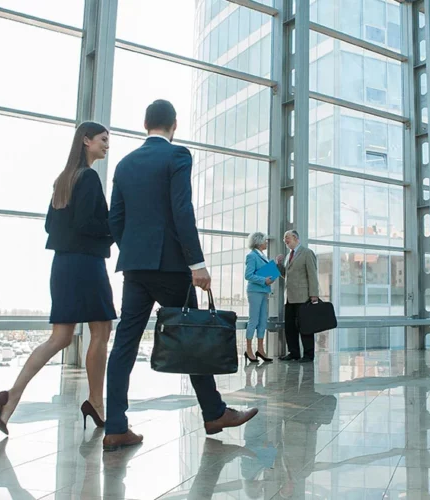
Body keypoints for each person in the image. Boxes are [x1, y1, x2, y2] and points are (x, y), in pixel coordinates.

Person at [103, 99, 257, 451]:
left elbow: (115, 219)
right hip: (172, 266)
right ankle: (214, 412)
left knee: (124, 344)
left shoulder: (125, 164)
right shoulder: (177, 156)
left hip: (135, 266)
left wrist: (135, 250)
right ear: (174, 125)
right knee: (191, 335)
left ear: (145, 124)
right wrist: (196, 263)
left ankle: (115, 426)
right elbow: (181, 209)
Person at [0, 122, 116, 435]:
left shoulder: (63, 180)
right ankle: (96, 403)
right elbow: (87, 223)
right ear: (86, 140)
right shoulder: (89, 178)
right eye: (103, 139)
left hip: (62, 266)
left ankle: (10, 397)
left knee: (60, 337)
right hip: (86, 265)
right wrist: (116, 226)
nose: (107, 145)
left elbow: (49, 227)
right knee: (101, 331)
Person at [275, 230, 320, 363]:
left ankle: (308, 355)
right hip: (289, 297)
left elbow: (312, 274)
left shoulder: (307, 253)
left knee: (305, 326)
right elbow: (287, 276)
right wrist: (279, 265)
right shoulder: (289, 255)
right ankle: (294, 353)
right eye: (284, 239)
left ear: (295, 237)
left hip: (303, 297)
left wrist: (314, 294)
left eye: (286, 238)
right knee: (290, 327)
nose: (285, 240)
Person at [244, 232, 275, 363]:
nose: (267, 243)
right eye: (265, 241)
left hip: (264, 291)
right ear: (259, 242)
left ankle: (261, 349)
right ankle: (249, 350)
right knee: (254, 320)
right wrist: (264, 280)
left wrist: (270, 277)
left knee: (263, 320)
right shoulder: (252, 256)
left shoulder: (263, 256)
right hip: (255, 291)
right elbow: (248, 275)